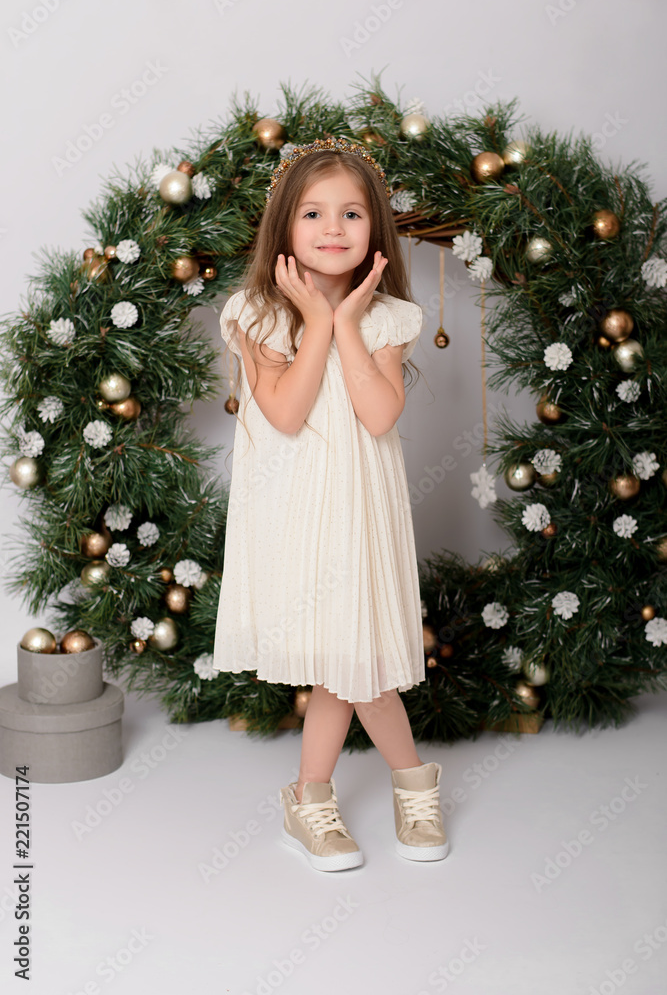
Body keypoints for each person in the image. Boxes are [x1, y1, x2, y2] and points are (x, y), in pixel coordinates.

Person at [214, 136, 448, 872]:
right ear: (284, 227)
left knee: (356, 665)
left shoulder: (386, 319)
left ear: (374, 230)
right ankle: (391, 785)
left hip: (361, 518)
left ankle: (318, 795)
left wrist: (343, 322)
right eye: (313, 213)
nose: (332, 228)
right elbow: (284, 412)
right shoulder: (256, 312)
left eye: (351, 213)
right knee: (350, 668)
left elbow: (378, 416)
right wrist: (313, 321)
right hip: (296, 516)